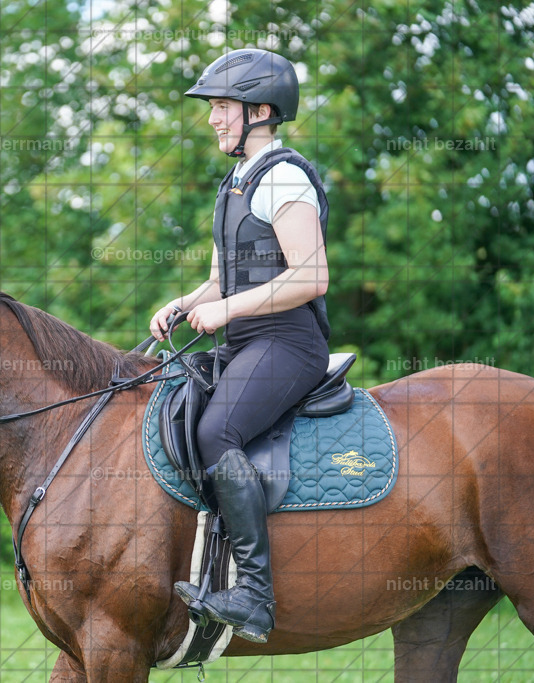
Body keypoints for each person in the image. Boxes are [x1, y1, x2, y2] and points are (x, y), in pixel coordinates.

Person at [149, 48, 331, 643]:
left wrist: (225, 308)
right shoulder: (237, 181)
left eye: (222, 107)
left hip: (289, 343)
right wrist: (184, 302)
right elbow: (224, 278)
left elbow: (311, 276)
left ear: (261, 110)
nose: (212, 119)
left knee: (214, 432)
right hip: (248, 341)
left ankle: (254, 595)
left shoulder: (285, 176)